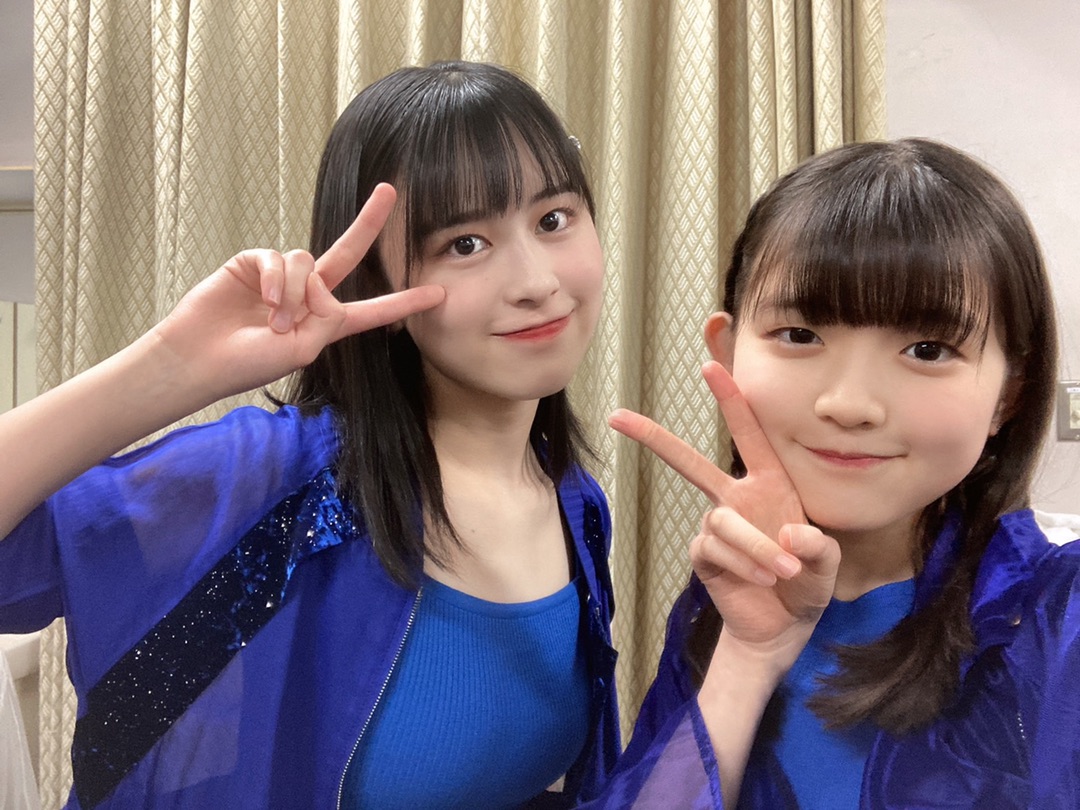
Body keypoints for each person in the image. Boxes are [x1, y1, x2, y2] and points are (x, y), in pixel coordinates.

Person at [0, 60, 627, 810]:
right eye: (464, 243)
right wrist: (169, 366)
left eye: (553, 219)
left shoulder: (576, 503)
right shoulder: (273, 485)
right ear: (375, 283)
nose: (536, 281)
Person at [608, 138, 1080, 808]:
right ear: (728, 352)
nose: (850, 403)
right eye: (801, 335)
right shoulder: (722, 593)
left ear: (1009, 394)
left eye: (928, 349)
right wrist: (746, 654)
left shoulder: (1059, 615)